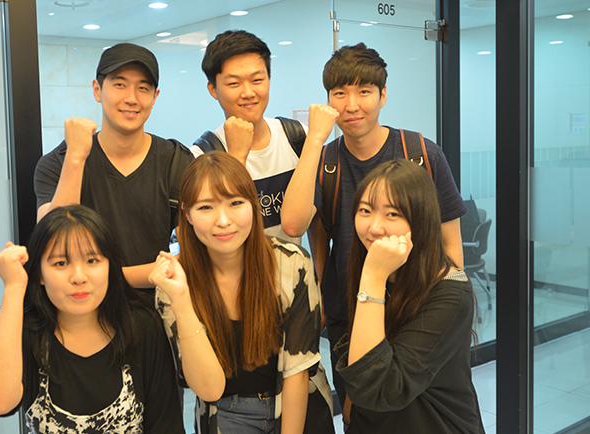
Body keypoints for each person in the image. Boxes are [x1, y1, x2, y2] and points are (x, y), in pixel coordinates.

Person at [280, 42, 467, 423]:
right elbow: (297, 227)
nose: (352, 105)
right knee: (359, 416)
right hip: (350, 315)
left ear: (383, 95)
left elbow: (450, 244)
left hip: (416, 311)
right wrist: (314, 140)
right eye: (339, 93)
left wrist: (446, 309)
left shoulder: (421, 153)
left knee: (415, 412)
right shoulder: (325, 161)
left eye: (364, 91)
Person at [149, 152, 333, 434]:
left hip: (300, 402)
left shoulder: (291, 263)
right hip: (225, 412)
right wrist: (183, 302)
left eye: (236, 203)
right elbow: (208, 389)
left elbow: (297, 370)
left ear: (253, 204)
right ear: (186, 214)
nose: (223, 220)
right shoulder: (174, 285)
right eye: (206, 207)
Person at [0, 205, 184, 433]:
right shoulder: (21, 332)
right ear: (39, 274)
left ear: (110, 266)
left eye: (92, 260)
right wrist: (14, 287)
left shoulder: (142, 326)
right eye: (61, 263)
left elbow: (167, 426)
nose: (78, 277)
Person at [335, 159, 485, 433]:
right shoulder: (379, 268)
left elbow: (378, 388)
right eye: (365, 210)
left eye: (392, 214)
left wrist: (373, 278)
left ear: (421, 219)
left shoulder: (451, 292)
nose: (375, 227)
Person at [34, 43, 194, 291]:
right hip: (82, 305)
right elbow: (52, 246)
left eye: (143, 88)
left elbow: (195, 255)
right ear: (97, 89)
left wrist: (108, 279)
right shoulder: (58, 163)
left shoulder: (176, 161)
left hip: (156, 305)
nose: (131, 98)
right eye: (119, 85)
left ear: (154, 97)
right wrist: (75, 158)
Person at [191, 30, 306, 245]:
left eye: (257, 80)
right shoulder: (201, 157)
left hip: (292, 266)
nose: (248, 93)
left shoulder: (298, 137)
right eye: (234, 84)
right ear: (213, 89)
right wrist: (237, 156)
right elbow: (219, 229)